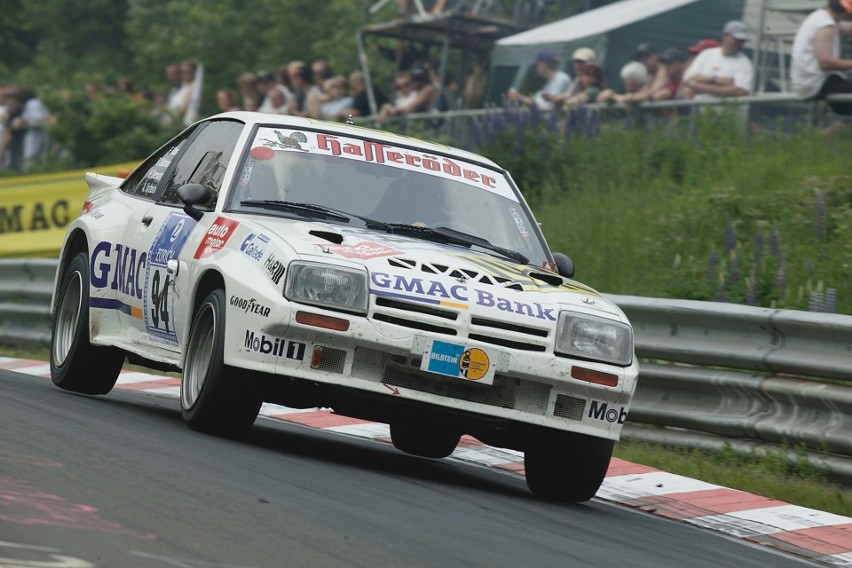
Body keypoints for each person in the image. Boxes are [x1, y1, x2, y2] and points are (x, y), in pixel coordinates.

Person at [791, 0, 852, 116]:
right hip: (817, 83)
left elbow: (847, 28)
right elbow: (825, 62)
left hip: (810, 82)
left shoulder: (819, 16)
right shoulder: (826, 25)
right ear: (846, 13)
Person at [682, 21, 754, 101]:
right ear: (725, 36)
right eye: (737, 40)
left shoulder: (745, 63)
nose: (740, 43)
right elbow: (688, 79)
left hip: (727, 112)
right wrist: (716, 79)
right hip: (700, 110)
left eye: (742, 41)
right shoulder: (706, 54)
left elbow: (742, 91)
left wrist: (701, 87)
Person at [506, 49, 571, 111]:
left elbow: (546, 105)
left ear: (543, 65)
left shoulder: (561, 79)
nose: (536, 68)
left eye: (537, 65)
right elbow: (536, 100)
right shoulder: (550, 82)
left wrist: (519, 98)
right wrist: (518, 97)